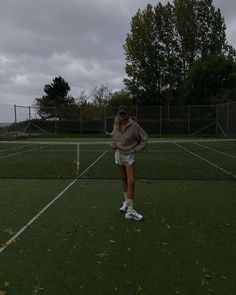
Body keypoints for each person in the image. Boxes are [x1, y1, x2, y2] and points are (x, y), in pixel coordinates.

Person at [110, 105, 148, 221]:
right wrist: (114, 144)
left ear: (128, 114)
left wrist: (138, 148)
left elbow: (144, 137)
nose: (122, 116)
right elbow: (116, 138)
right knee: (124, 179)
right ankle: (126, 202)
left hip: (129, 155)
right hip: (118, 155)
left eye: (124, 113)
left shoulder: (134, 126)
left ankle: (130, 211)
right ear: (118, 114)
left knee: (131, 181)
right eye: (120, 114)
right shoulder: (116, 125)